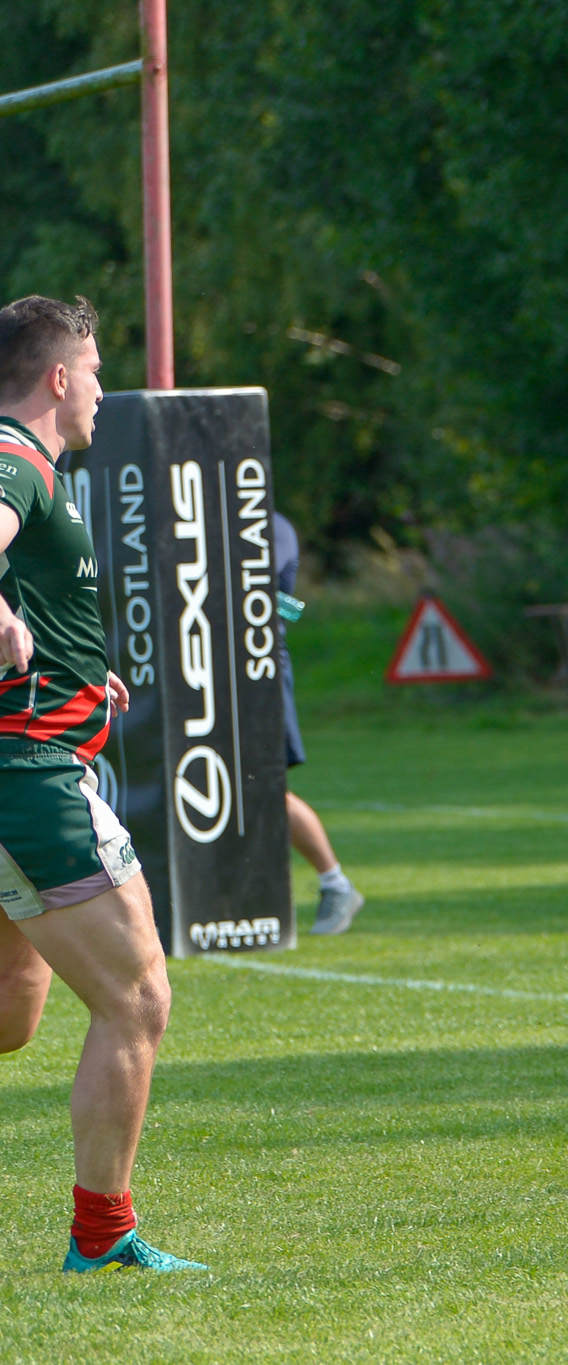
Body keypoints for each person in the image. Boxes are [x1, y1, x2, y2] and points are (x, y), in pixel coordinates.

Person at [0, 295, 205, 1272]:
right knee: (137, 1000)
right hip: (30, 777)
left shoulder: (42, 471)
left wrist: (84, 672)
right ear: (54, 377)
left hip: (29, 764)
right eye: (92, 370)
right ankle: (104, 1236)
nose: (102, 390)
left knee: (10, 1015)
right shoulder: (15, 458)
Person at [271, 512, 365, 933]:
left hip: (262, 670)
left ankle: (336, 884)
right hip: (211, 672)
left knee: (268, 788)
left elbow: (267, 596)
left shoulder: (273, 525)